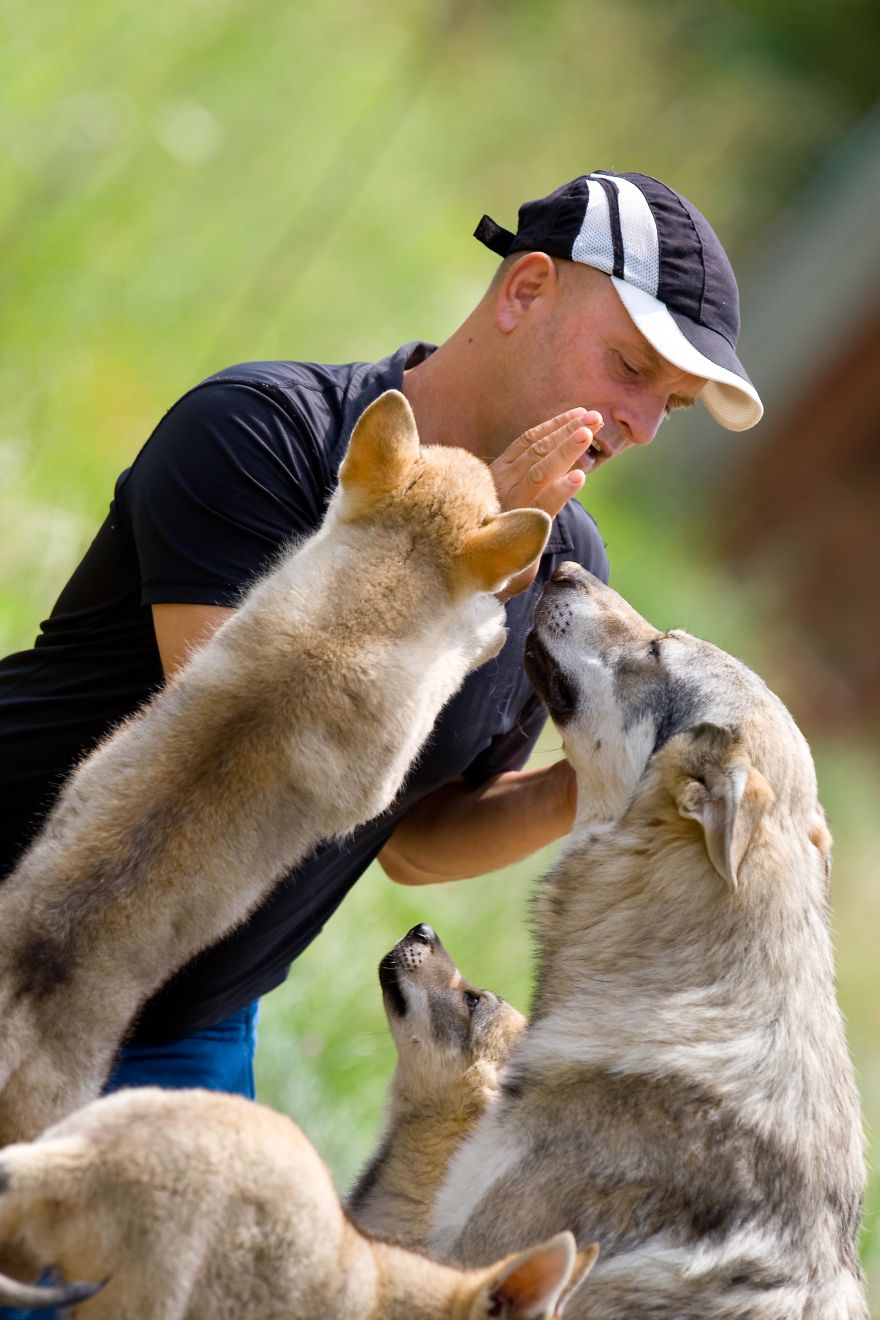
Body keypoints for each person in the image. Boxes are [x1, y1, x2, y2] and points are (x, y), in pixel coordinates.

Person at [0, 169, 763, 1107]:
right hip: (23, 922)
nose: (641, 424)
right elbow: (247, 746)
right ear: (526, 290)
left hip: (179, 1024)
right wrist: (464, 574)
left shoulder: (559, 566)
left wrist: (607, 777)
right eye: (632, 368)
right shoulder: (264, 432)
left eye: (671, 406)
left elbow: (416, 840)